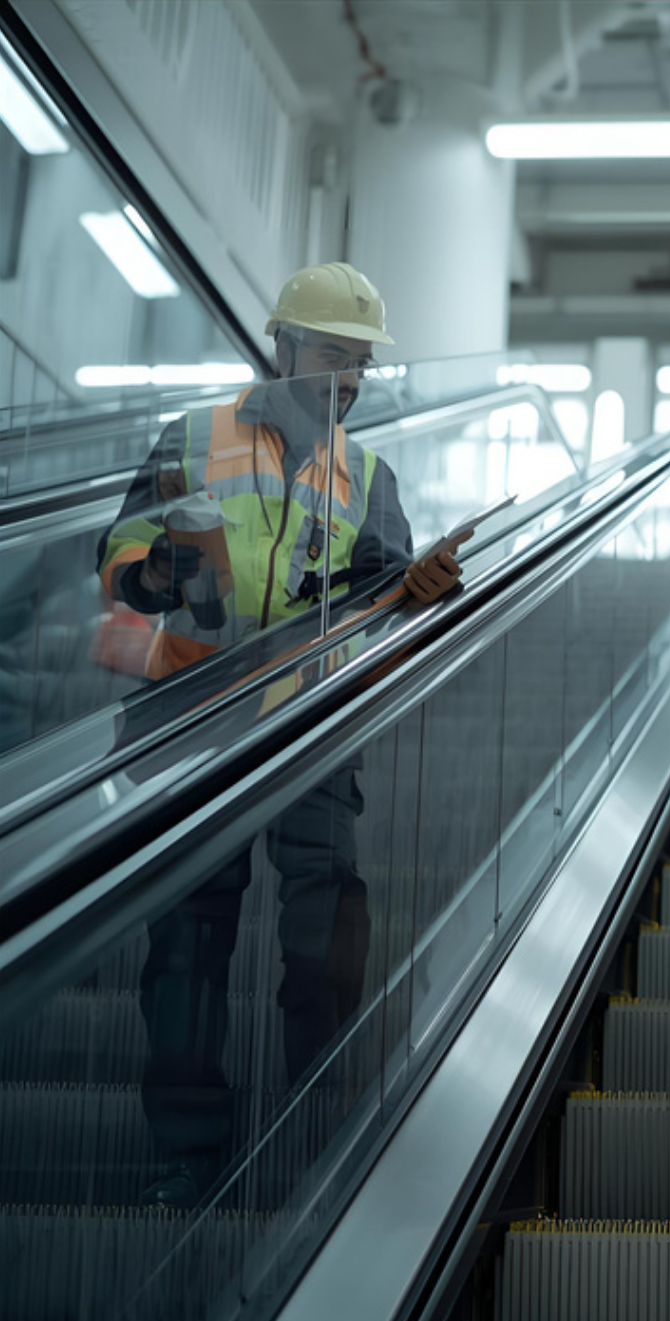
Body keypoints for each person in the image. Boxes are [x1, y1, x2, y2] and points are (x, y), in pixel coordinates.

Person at [97, 262, 464, 1208]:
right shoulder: (194, 435)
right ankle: (186, 1152)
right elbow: (119, 559)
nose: (347, 381)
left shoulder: (368, 472)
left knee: (327, 936)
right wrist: (161, 571)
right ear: (284, 346)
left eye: (360, 367)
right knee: (185, 946)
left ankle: (320, 1135)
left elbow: (386, 597)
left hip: (310, 724)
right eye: (335, 357)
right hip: (188, 719)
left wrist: (411, 592)